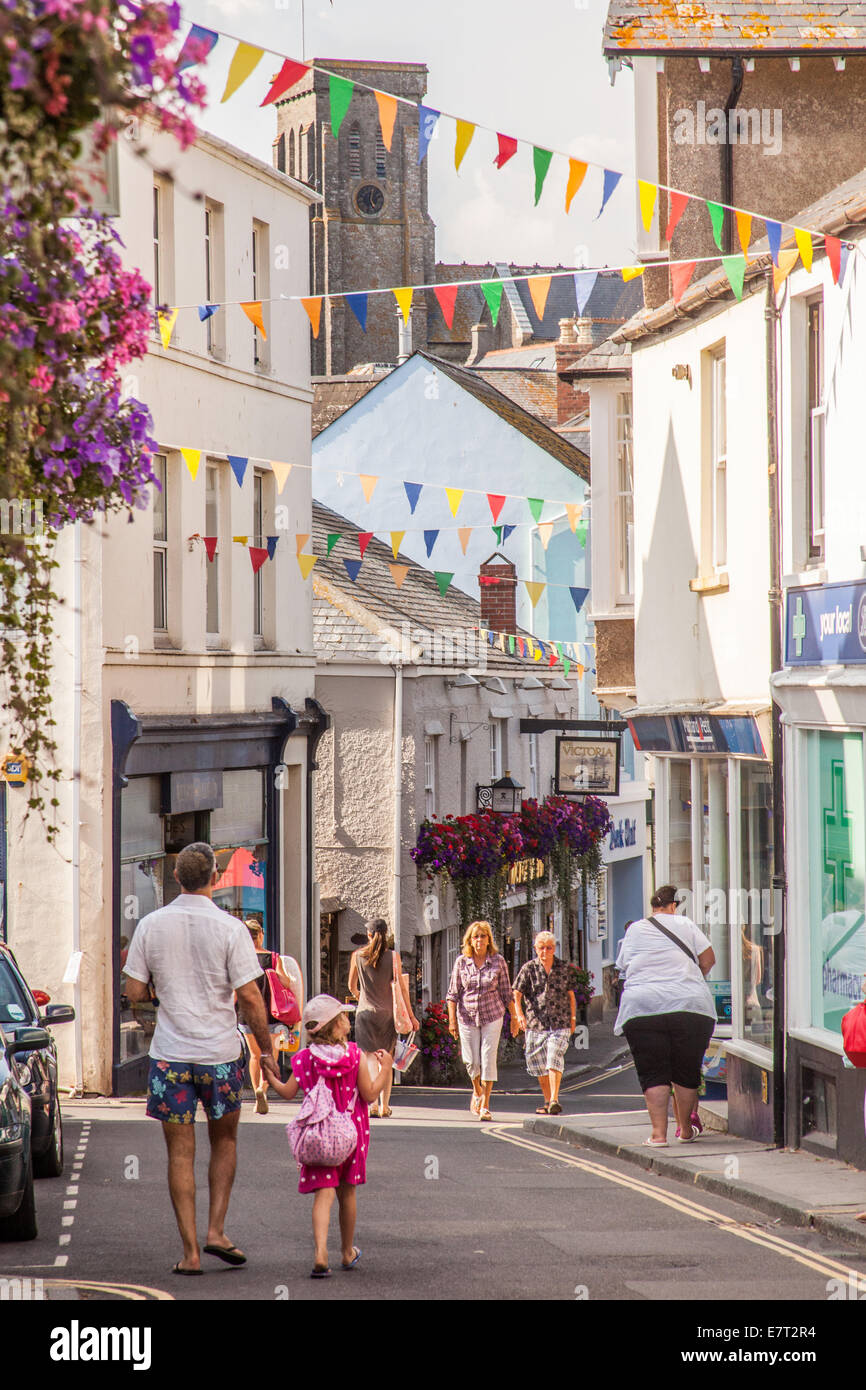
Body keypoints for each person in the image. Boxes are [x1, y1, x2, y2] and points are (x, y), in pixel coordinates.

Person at [123, 842, 278, 1274]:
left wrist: (159, 988)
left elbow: (133, 991)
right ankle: (216, 1231)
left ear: (176, 877)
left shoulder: (152, 926)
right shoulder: (230, 930)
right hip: (220, 1055)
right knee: (224, 1140)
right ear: (215, 877)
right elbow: (250, 997)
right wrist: (266, 1052)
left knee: (180, 1154)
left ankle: (190, 1253)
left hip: (170, 1057)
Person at [267, 994, 391, 1277]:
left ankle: (320, 1253)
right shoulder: (354, 1056)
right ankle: (346, 1252)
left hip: (318, 1137)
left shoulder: (303, 1059)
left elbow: (287, 1092)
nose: (347, 1021)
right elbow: (370, 1094)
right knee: (347, 1194)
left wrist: (269, 1077)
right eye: (343, 1018)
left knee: (323, 1195)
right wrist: (385, 1071)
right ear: (334, 1027)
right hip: (351, 1134)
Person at [614, 884, 716, 1148]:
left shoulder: (635, 929)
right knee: (686, 1070)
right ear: (674, 906)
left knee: (653, 1072)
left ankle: (658, 1135)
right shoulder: (686, 924)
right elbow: (708, 959)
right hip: (690, 1006)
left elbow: (624, 966)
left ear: (653, 907)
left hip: (643, 1006)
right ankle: (684, 1130)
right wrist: (691, 978)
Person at [446, 920, 518, 1121]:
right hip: (466, 1016)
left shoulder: (498, 961)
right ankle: (477, 1090)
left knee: (488, 1059)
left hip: (492, 1015)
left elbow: (506, 992)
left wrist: (514, 1018)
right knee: (471, 1061)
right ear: (470, 940)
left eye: (483, 936)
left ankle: (485, 1105)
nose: (479, 940)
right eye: (475, 936)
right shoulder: (461, 962)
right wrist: (451, 1021)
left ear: (488, 940)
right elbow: (452, 994)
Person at [348, 918, 419, 1118]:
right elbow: (402, 990)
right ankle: (384, 1106)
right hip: (387, 1015)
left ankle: (371, 1104)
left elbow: (352, 986)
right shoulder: (394, 957)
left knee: (369, 1057)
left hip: (364, 1013)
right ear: (386, 934)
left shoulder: (356, 955)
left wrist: (359, 997)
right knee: (385, 1059)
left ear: (369, 935)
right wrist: (412, 1017)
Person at [240, 918, 303, 1115]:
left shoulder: (241, 959)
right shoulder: (275, 958)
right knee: (270, 1055)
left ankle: (255, 1092)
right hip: (273, 1015)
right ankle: (262, 1089)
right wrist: (273, 974)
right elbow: (285, 982)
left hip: (247, 1014)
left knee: (255, 1056)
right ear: (261, 935)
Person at [513, 931, 579, 1115]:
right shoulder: (528, 969)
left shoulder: (564, 968)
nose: (545, 951)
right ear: (535, 949)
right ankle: (548, 1101)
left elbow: (571, 996)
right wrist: (519, 1015)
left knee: (553, 1058)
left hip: (560, 1022)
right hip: (536, 1023)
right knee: (538, 1064)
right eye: (541, 948)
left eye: (549, 948)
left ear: (554, 949)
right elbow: (516, 994)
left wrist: (573, 1019)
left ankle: (555, 1099)